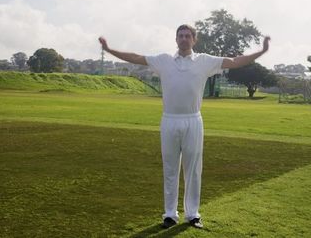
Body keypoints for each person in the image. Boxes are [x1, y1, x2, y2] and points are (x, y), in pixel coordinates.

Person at [98, 24, 270, 229]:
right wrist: (109, 50)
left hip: (193, 120)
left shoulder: (204, 61)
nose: (184, 39)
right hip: (169, 120)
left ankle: (193, 214)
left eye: (188, 36)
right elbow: (135, 57)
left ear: (194, 40)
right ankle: (170, 214)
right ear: (176, 39)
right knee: (170, 169)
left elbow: (234, 61)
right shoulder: (164, 60)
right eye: (180, 36)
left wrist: (262, 51)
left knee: (193, 170)